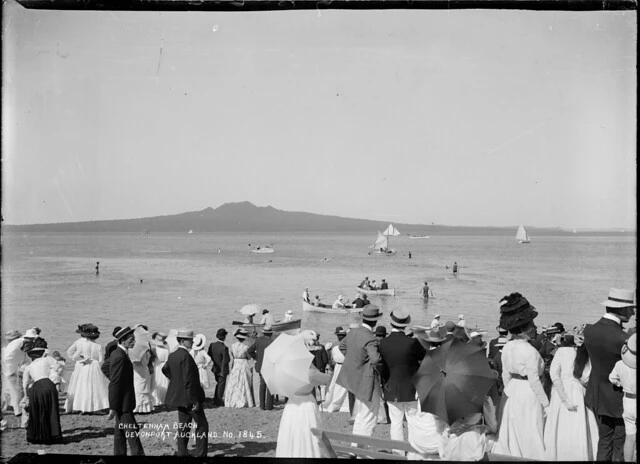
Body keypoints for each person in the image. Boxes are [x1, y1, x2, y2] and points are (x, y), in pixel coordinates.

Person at [493, 292, 548, 460]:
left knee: (513, 427)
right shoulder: (531, 351)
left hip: (512, 391)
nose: (535, 328)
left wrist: (507, 393)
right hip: (528, 392)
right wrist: (546, 403)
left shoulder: (508, 347)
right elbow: (535, 381)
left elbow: (505, 375)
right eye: (533, 325)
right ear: (526, 328)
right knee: (531, 427)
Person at [584, 288, 635, 461]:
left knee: (604, 441)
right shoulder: (622, 338)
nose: (633, 312)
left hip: (597, 395)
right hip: (620, 398)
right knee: (621, 445)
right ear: (621, 310)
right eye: (631, 308)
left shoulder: (589, 331)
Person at [543, 327, 598, 460]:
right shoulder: (586, 354)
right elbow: (586, 377)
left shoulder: (561, 351)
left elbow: (554, 374)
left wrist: (563, 396)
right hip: (579, 392)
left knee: (559, 427)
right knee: (578, 427)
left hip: (560, 393)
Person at [275, 331, 333, 458]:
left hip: (292, 403)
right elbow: (327, 379)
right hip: (306, 401)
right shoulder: (310, 371)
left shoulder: (287, 367)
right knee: (308, 430)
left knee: (292, 430)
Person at [378, 308, 427, 453]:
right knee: (413, 421)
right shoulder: (412, 342)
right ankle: (413, 450)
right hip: (411, 387)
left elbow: (381, 365)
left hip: (390, 386)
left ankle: (398, 452)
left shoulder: (383, 343)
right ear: (406, 324)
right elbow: (425, 359)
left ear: (391, 323)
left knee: (396, 422)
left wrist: (384, 382)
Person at [336, 304, 384, 438]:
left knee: (360, 415)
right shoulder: (370, 338)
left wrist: (355, 361)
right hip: (367, 380)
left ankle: (355, 446)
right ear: (375, 321)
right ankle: (363, 451)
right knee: (370, 416)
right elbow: (376, 360)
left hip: (353, 377)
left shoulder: (353, 331)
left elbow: (342, 346)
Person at [162, 329, 208, 457]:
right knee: (202, 425)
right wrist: (194, 400)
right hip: (189, 397)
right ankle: (201, 454)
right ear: (183, 341)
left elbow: (165, 369)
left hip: (179, 396)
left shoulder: (173, 354)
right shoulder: (186, 356)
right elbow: (189, 380)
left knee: (184, 425)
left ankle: (182, 452)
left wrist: (176, 380)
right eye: (190, 340)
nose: (193, 341)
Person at [108, 326, 145, 456]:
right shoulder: (120, 356)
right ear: (122, 341)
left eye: (134, 339)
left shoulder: (118, 353)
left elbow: (106, 367)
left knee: (120, 433)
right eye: (131, 339)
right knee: (132, 432)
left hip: (122, 401)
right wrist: (113, 406)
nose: (134, 342)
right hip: (123, 402)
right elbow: (115, 383)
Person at [21, 337, 62, 445]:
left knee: (37, 411)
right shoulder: (47, 360)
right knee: (51, 409)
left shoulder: (28, 366)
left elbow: (25, 383)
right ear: (42, 352)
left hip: (36, 387)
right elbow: (58, 367)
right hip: (49, 384)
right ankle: (54, 435)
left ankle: (38, 436)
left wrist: (26, 396)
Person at [65, 324, 110, 413]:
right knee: (95, 386)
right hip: (95, 366)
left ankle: (84, 407)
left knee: (84, 386)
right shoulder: (99, 346)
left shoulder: (82, 344)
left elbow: (74, 356)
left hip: (85, 365)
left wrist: (83, 360)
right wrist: (94, 361)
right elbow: (100, 360)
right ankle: (96, 407)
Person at [608, 333, 636, 462]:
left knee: (630, 438)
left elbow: (612, 378)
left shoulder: (620, 364)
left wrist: (621, 384)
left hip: (628, 400)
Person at [223, 329, 255, 408]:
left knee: (234, 381)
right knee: (244, 381)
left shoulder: (232, 346)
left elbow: (233, 355)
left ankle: (232, 399)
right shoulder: (246, 347)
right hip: (243, 363)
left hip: (236, 363)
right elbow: (248, 357)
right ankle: (244, 398)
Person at [322, 327, 350, 413]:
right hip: (345, 367)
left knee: (334, 385)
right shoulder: (349, 344)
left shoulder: (334, 345)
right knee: (344, 386)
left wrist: (331, 365)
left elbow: (331, 358)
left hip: (338, 366)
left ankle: (332, 402)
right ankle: (344, 404)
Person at [247, 325, 275, 410]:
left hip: (261, 365)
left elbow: (249, 350)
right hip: (270, 365)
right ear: (270, 334)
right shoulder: (272, 342)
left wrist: (256, 357)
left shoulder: (258, 340)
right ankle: (269, 405)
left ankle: (262, 405)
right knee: (270, 385)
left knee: (262, 385)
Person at [129, 325, 155, 414]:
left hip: (136, 370)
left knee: (138, 387)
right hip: (142, 369)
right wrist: (147, 356)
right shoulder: (142, 348)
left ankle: (138, 407)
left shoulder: (132, 348)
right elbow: (144, 362)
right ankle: (142, 407)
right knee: (142, 387)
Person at [207, 328, 230, 407]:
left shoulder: (212, 345)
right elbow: (226, 360)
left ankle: (216, 398)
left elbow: (209, 355)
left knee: (218, 384)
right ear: (224, 337)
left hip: (215, 368)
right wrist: (223, 371)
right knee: (221, 385)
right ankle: (218, 400)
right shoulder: (224, 347)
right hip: (222, 369)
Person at [150, 332, 170, 407]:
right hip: (162, 365)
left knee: (159, 381)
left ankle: (158, 399)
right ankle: (163, 398)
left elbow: (151, 359)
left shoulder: (155, 348)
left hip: (158, 365)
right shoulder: (167, 347)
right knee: (163, 381)